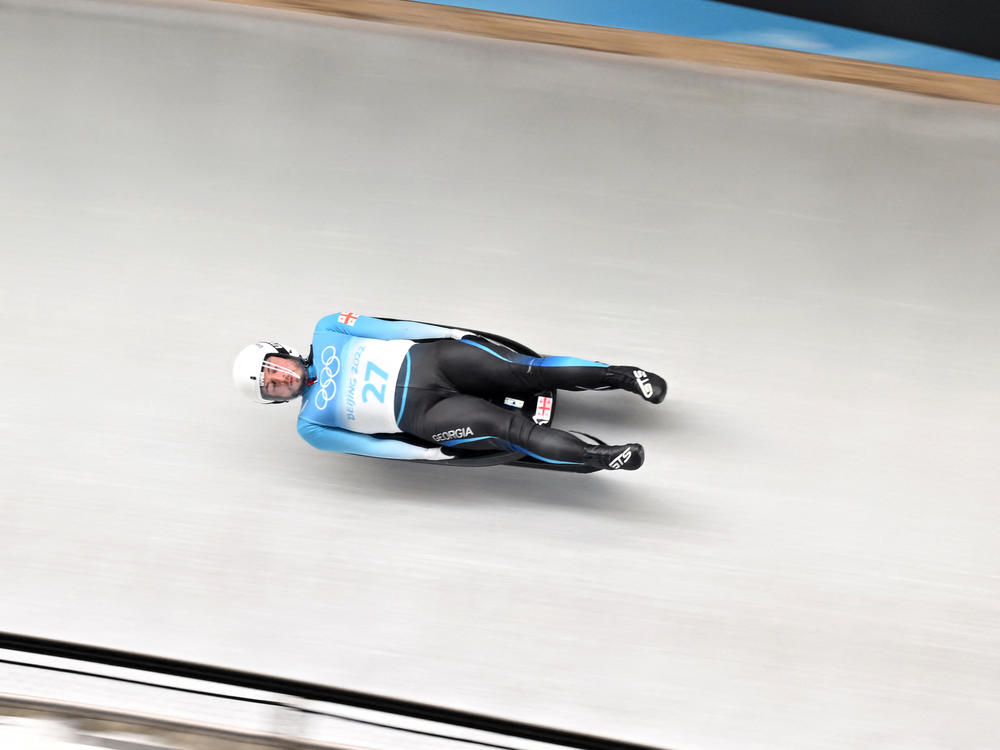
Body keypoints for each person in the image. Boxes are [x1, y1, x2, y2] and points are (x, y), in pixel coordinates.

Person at [232, 313, 666, 471]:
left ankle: (625, 376)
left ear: (283, 354)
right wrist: (425, 455)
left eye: (274, 369)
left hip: (435, 360)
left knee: (524, 370)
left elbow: (392, 328)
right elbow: (371, 448)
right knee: (510, 430)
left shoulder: (329, 328)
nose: (280, 379)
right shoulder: (310, 426)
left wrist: (452, 333)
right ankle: (603, 457)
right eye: (271, 386)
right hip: (426, 414)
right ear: (275, 400)